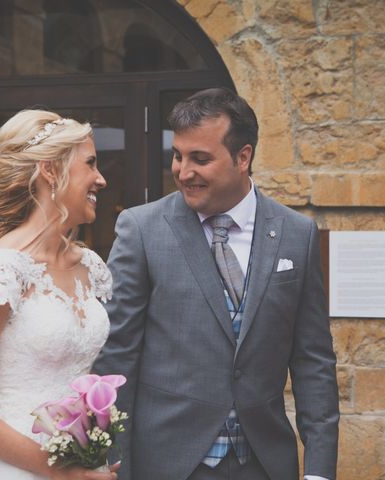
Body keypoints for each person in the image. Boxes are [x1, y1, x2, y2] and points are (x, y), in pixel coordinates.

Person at [93, 88, 339, 480]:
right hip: (167, 465)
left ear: (243, 157)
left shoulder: (297, 234)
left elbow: (313, 362)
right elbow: (117, 358)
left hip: (263, 465)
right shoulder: (142, 229)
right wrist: (111, 465)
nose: (183, 171)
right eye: (178, 156)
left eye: (200, 159)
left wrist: (319, 472)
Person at [0, 110, 119, 480]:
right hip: (17, 467)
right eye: (90, 164)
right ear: (50, 171)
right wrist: (58, 471)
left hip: (82, 465)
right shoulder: (6, 267)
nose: (100, 179)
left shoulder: (89, 265)